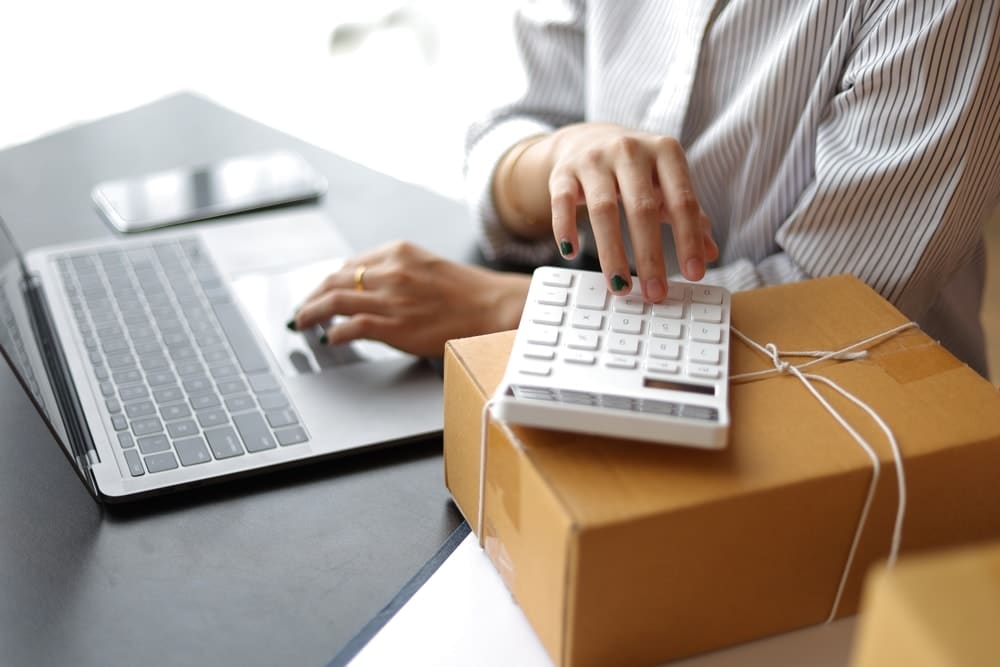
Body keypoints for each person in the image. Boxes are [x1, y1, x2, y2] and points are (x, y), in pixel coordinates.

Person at [289, 0, 1000, 377]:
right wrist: (553, 158)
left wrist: (513, 308)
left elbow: (843, 313)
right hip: (599, 392)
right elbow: (505, 131)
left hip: (858, 455)